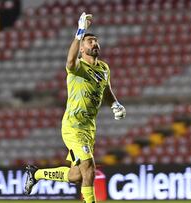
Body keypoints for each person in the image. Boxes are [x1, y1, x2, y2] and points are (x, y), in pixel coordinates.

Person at [24, 12, 126, 203]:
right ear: (81, 49)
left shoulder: (104, 68)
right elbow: (69, 61)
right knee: (89, 168)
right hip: (73, 126)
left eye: (95, 41)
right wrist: (80, 32)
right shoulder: (77, 67)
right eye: (90, 42)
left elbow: (107, 90)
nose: (94, 44)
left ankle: (35, 174)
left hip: (88, 129)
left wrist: (115, 104)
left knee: (76, 176)